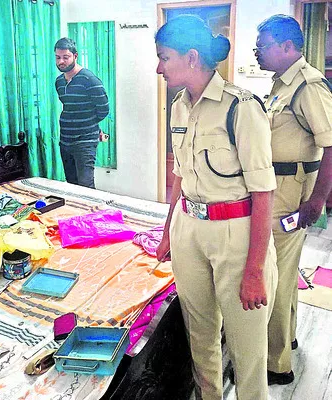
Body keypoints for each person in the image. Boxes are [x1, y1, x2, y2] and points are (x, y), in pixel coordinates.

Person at [155, 15, 278, 400]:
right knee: (200, 335)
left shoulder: (241, 107)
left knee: (247, 348)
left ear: (191, 57)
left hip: (235, 237)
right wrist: (168, 232)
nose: (158, 68)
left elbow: (263, 193)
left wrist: (254, 270)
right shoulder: (178, 106)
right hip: (189, 230)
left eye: (164, 57)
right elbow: (180, 176)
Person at [255, 15, 332, 385]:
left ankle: (276, 364)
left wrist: (317, 200)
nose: (257, 52)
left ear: (287, 46)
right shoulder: (280, 84)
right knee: (284, 272)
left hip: (290, 193)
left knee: (274, 276)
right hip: (278, 188)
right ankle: (288, 339)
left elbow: (330, 143)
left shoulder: (308, 85)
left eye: (263, 46)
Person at [54, 37, 109, 189]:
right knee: (72, 185)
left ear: (75, 56)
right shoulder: (59, 82)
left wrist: (87, 124)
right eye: (58, 57)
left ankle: (93, 207)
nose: (61, 61)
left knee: (86, 186)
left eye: (66, 57)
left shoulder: (89, 80)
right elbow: (68, 106)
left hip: (85, 141)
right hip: (65, 140)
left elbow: (104, 109)